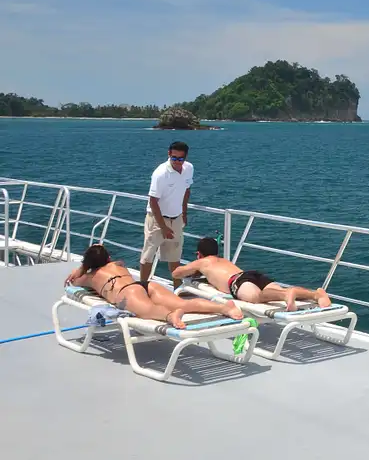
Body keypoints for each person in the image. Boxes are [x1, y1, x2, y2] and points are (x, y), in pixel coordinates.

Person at [64, 244, 243, 329]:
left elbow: (75, 281)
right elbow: (101, 251)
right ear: (108, 259)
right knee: (183, 303)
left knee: (148, 310)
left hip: (126, 293)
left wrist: (82, 268)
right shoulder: (118, 264)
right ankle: (223, 307)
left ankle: (170, 316)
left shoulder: (90, 277)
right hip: (144, 285)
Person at [173, 237, 331, 311]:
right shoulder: (223, 260)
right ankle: (315, 294)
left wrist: (194, 268)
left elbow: (176, 273)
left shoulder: (202, 262)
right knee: (274, 291)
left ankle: (288, 294)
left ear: (199, 254)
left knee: (259, 297)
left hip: (237, 282)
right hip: (249, 274)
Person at [140, 140, 194, 288]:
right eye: (174, 158)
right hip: (157, 219)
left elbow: (187, 190)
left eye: (180, 159)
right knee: (148, 256)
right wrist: (163, 227)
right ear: (169, 154)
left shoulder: (189, 168)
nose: (177, 161)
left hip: (176, 218)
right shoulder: (160, 173)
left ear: (185, 157)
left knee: (175, 256)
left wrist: (184, 212)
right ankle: (143, 287)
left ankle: (177, 289)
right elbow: (153, 201)